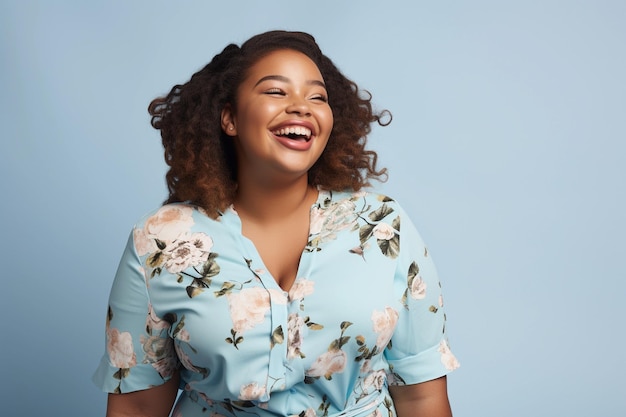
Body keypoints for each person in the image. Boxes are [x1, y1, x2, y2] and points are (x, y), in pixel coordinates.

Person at [93, 30, 459, 417]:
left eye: (317, 96)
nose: (301, 107)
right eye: (276, 92)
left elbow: (422, 397)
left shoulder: (384, 226)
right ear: (230, 118)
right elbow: (136, 406)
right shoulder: (160, 240)